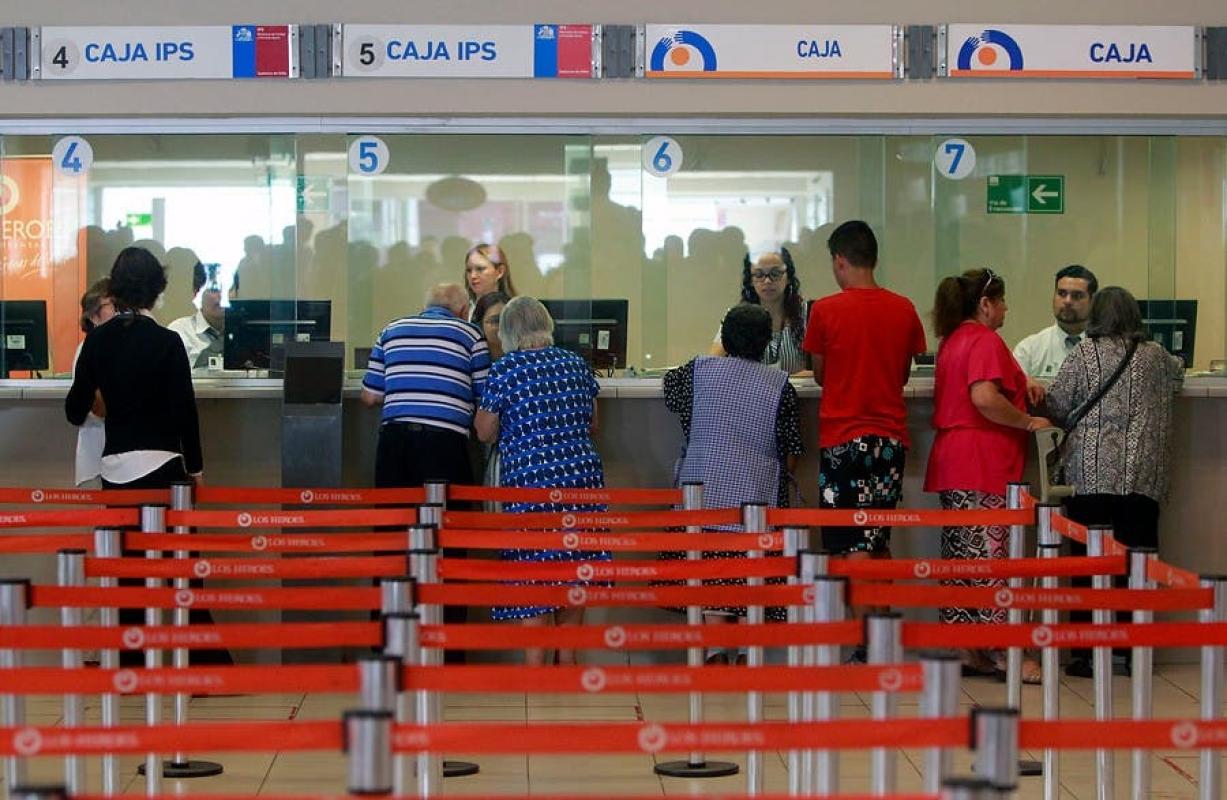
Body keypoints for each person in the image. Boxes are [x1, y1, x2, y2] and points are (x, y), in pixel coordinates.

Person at [802, 221, 927, 658]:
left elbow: (821, 374)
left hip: (843, 441)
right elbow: (903, 374)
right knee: (877, 539)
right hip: (889, 440)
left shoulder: (825, 311)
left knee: (849, 543)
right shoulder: (904, 309)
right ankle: (883, 637)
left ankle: (864, 642)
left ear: (840, 261)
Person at [1045, 286, 1183, 678]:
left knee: (1090, 564)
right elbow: (1179, 374)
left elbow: (1056, 404)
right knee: (1138, 563)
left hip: (1091, 477)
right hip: (1142, 478)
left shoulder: (1084, 354)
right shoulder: (1157, 356)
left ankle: (1088, 652)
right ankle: (1134, 648)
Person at [924, 268, 1050, 681]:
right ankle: (1002, 651)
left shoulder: (952, 341)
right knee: (992, 558)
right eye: (1002, 301)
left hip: (954, 460)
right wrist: (1026, 421)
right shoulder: (984, 340)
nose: (1006, 309)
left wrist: (1023, 381)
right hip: (984, 462)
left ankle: (965, 646)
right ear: (985, 304)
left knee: (961, 560)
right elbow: (983, 396)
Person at [665, 303, 804, 664]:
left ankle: (714, 650)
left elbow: (670, 393)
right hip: (755, 496)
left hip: (703, 489)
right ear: (766, 343)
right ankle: (746, 650)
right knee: (749, 572)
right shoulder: (780, 385)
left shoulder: (696, 371)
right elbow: (791, 449)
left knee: (708, 570)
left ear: (724, 338)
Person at [474, 296, 608, 666]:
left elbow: (484, 431)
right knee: (574, 572)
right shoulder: (575, 363)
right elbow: (593, 423)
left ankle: (535, 670)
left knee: (533, 574)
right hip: (581, 480)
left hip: (530, 484)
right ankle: (567, 663)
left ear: (508, 332)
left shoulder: (506, 368)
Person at [66, 247, 204, 489]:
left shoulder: (96, 340)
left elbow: (74, 412)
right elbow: (186, 412)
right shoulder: (168, 341)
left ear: (114, 290)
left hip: (115, 467)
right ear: (157, 289)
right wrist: (196, 469)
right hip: (164, 461)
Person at [360, 283, 489, 488]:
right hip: (445, 443)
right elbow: (485, 398)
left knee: (393, 506)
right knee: (449, 507)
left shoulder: (391, 330)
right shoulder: (471, 334)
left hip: (394, 440)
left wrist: (405, 391)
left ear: (425, 307)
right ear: (464, 311)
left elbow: (369, 397)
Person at [710, 249, 809, 375]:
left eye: (775, 273)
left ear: (788, 277)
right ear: (750, 280)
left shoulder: (808, 314)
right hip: (748, 387)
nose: (767, 281)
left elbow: (823, 369)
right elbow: (712, 365)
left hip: (800, 388)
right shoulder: (736, 317)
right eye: (759, 275)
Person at [1013, 264, 1098, 382]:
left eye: (1077, 296)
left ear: (1093, 301)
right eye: (1062, 294)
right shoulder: (1029, 350)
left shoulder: (1106, 350)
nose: (1067, 301)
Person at [73, 278, 115, 489]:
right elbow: (96, 406)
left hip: (120, 461)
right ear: (92, 315)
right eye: (112, 304)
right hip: (97, 458)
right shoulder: (88, 350)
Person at [471, 291, 510, 511]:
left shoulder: (518, 359)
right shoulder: (473, 359)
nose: (502, 326)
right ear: (479, 325)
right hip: (477, 443)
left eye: (506, 319)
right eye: (495, 320)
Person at [168, 262, 236, 369]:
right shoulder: (179, 332)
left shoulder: (247, 334)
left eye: (229, 288)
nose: (223, 296)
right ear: (197, 294)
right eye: (214, 289)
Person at [464, 243, 517, 319]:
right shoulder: (462, 310)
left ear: (500, 271)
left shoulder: (515, 311)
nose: (473, 276)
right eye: (469, 270)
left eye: (480, 269)